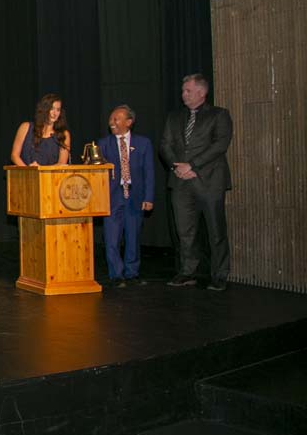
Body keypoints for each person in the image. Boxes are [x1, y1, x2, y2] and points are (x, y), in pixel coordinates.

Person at [161, 74, 233, 291]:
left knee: (215, 230)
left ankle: (219, 275)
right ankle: (187, 272)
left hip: (209, 181)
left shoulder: (219, 114)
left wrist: (192, 165)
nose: (183, 95)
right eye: (183, 91)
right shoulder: (174, 117)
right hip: (181, 182)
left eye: (188, 91)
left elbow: (220, 145)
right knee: (185, 231)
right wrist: (177, 167)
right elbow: (165, 145)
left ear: (202, 93)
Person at [96, 106, 154, 288]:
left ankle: (132, 273)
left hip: (135, 196)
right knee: (111, 238)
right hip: (112, 197)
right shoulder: (103, 144)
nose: (112, 122)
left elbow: (149, 172)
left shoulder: (143, 143)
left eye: (116, 119)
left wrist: (149, 197)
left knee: (133, 236)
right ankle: (116, 274)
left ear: (129, 122)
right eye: (111, 119)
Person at [11, 94, 72, 166]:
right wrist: (29, 170)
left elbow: (61, 164)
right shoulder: (25, 127)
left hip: (49, 173)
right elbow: (14, 155)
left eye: (58, 110)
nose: (55, 113)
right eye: (52, 108)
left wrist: (40, 170)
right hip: (25, 172)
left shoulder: (64, 134)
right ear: (44, 109)